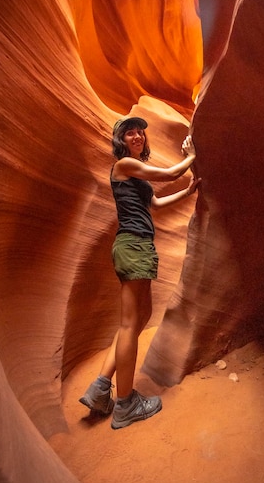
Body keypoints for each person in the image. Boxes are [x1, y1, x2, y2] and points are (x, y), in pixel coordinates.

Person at [79, 116, 200, 429]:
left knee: (137, 320)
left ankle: (100, 388)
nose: (137, 136)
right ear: (121, 140)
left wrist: (187, 193)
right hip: (133, 246)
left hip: (138, 247)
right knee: (131, 323)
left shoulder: (134, 175)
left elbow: (156, 203)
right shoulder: (123, 166)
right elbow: (169, 172)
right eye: (129, 132)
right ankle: (126, 404)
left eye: (139, 132)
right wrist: (192, 155)